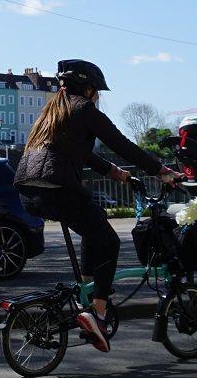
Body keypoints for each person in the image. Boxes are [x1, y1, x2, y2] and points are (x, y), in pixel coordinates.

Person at [13, 59, 178, 354]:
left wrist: (113, 172)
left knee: (94, 226)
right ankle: (98, 313)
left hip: (28, 190)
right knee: (109, 241)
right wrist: (161, 170)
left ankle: (86, 297)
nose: (98, 97)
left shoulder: (52, 111)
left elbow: (77, 152)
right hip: (58, 188)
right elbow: (122, 143)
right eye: (97, 91)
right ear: (88, 89)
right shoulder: (85, 109)